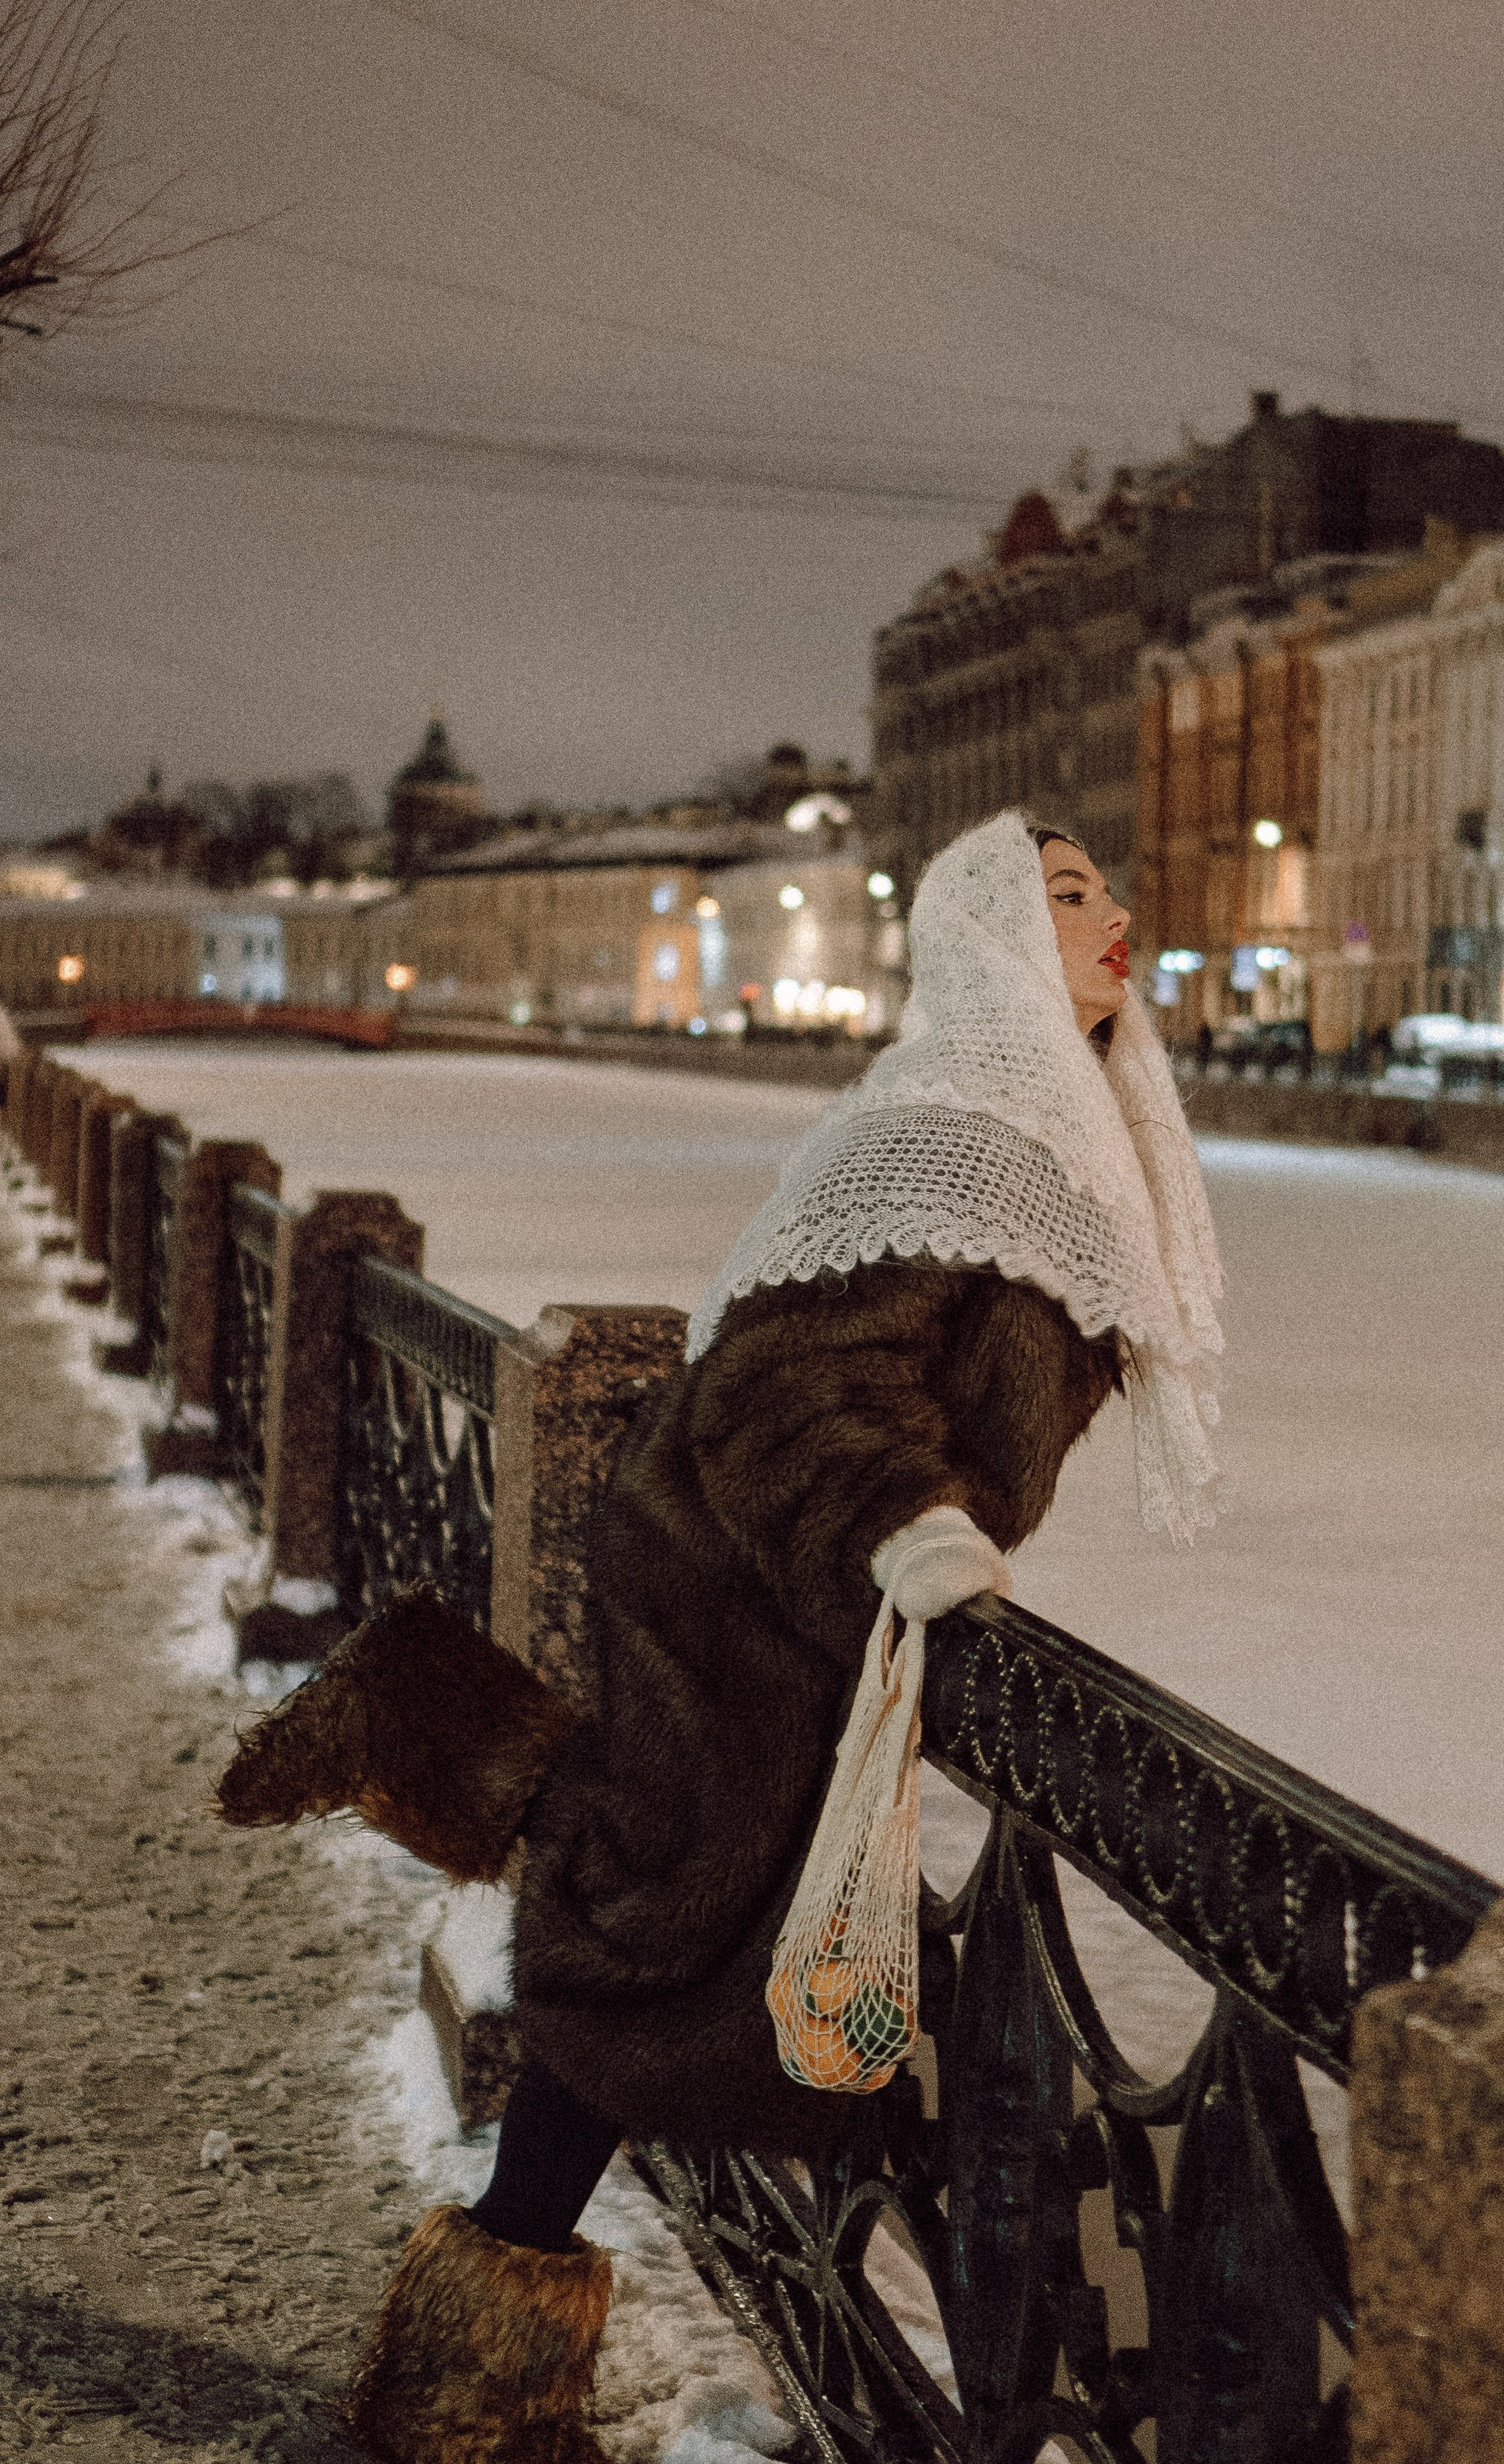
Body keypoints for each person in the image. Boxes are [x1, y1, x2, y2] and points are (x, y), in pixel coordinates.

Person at [216, 810, 1225, 2462]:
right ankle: (484, 2396)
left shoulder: (1044, 1125)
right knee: (651, 1965)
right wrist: (906, 1525)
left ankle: (529, 2372)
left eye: (1110, 882)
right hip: (743, 1597)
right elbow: (781, 1383)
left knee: (684, 1960)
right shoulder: (954, 1127)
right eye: (1063, 894)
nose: (1114, 911)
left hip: (799, 1604)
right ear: (984, 941)